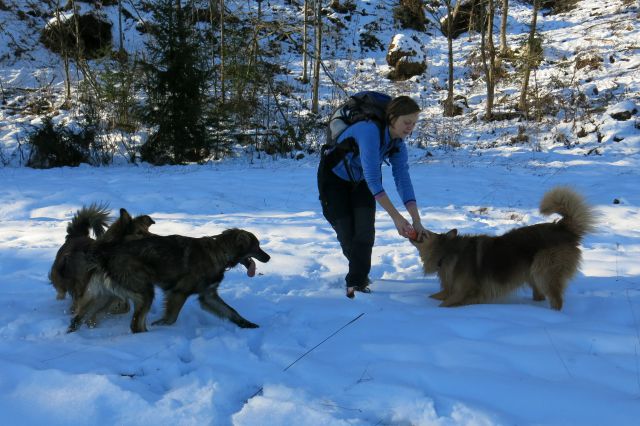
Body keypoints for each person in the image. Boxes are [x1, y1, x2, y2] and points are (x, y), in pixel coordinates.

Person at [317, 95, 425, 299]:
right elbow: (375, 181)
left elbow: (403, 179)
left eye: (414, 123)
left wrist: (416, 220)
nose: (410, 127)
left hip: (362, 181)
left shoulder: (398, 144)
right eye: (406, 122)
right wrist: (396, 217)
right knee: (348, 235)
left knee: (365, 233)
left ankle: (357, 284)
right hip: (333, 179)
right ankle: (358, 274)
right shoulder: (369, 131)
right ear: (392, 117)